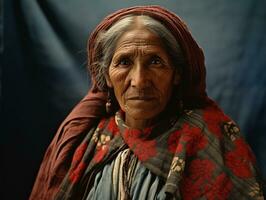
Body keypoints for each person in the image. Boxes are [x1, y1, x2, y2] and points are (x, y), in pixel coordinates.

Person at [30, 5, 264, 200]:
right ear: (107, 76)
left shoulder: (210, 135)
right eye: (123, 62)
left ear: (177, 74)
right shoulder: (88, 137)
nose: (139, 80)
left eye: (155, 62)